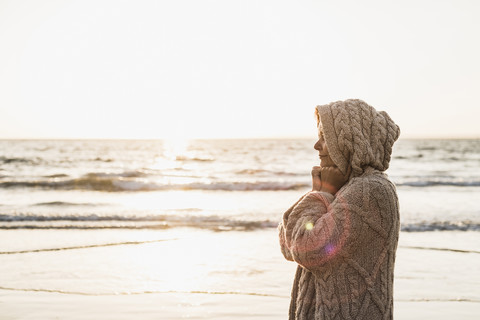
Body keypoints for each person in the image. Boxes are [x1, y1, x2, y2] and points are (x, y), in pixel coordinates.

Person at [278, 99, 401, 320]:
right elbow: (288, 245)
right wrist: (321, 192)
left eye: (325, 138)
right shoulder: (346, 188)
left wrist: (320, 193)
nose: (317, 146)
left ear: (350, 142)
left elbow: (305, 248)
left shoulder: (369, 191)